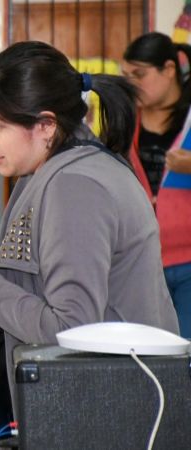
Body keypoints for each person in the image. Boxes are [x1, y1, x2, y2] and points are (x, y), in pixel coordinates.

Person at [0, 41, 180, 402]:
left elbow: (71, 328)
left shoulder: (75, 185)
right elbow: (45, 292)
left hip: (109, 411)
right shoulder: (53, 170)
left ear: (46, 125)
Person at [122, 32, 191, 338]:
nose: (132, 83)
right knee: (151, 357)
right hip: (142, 262)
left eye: (139, 74)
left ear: (168, 69)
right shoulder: (125, 121)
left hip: (189, 262)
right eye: (126, 76)